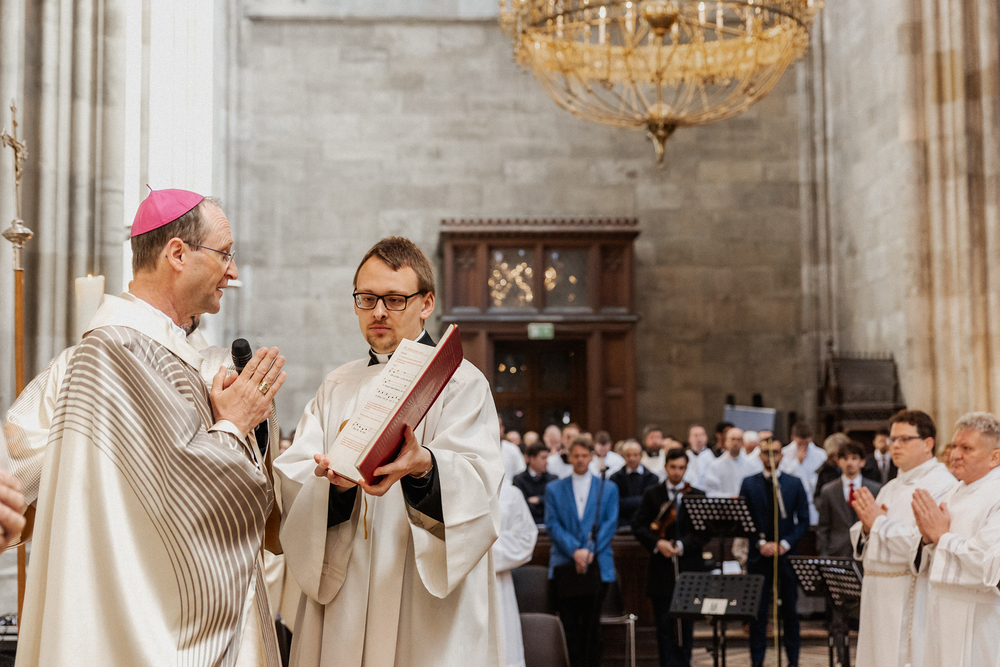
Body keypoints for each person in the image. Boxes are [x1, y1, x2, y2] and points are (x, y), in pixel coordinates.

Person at [14, 189, 287, 665]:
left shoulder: (193, 361)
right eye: (225, 254)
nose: (233, 271)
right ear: (177, 254)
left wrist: (252, 427)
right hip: (130, 630)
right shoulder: (109, 355)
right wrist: (233, 423)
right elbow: (14, 480)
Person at [274, 237, 504, 667]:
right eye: (366, 298)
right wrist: (333, 489)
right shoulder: (335, 387)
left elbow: (481, 486)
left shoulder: (460, 383)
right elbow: (295, 481)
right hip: (345, 598)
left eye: (395, 299)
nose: (378, 312)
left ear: (426, 303)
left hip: (425, 608)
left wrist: (425, 469)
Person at [849, 409, 957, 667]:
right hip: (877, 594)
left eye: (904, 439)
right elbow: (868, 533)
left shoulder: (943, 484)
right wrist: (867, 529)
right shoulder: (891, 486)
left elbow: (926, 542)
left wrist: (878, 523)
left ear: (928, 443)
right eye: (892, 439)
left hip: (909, 593)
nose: (894, 446)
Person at [912, 412, 1000, 667]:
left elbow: (988, 564)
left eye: (966, 448)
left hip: (980, 616)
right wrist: (928, 539)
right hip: (942, 608)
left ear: (995, 457)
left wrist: (942, 537)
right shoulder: (955, 491)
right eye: (953, 446)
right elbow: (936, 554)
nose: (955, 454)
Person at [545, 436, 618, 667]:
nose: (580, 460)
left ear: (592, 457)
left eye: (584, 455)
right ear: (569, 457)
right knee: (569, 626)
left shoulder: (608, 487)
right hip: (565, 564)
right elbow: (552, 524)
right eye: (575, 455)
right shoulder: (554, 488)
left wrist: (588, 551)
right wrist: (575, 551)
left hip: (597, 563)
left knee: (591, 626)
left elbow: (609, 524)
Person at [739, 437, 810, 667]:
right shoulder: (749, 483)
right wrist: (760, 544)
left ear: (782, 455)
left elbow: (804, 521)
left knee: (790, 612)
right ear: (760, 455)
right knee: (758, 614)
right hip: (759, 557)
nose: (771, 456)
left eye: (776, 452)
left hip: (786, 557)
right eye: (766, 452)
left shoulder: (794, 483)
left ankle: (793, 661)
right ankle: (757, 662)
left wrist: (785, 544)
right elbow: (744, 520)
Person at [632, 448, 705, 667]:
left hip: (688, 567)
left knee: (686, 624)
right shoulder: (652, 494)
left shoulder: (696, 494)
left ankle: (685, 662)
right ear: (665, 467)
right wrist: (657, 543)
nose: (676, 472)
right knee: (664, 623)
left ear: (686, 468)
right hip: (661, 568)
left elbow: (703, 532)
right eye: (673, 467)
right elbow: (638, 525)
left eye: (681, 468)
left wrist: (682, 545)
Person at [815, 440, 881, 667]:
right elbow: (823, 527)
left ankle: (867, 660)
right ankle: (842, 661)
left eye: (855, 458)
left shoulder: (875, 489)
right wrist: (825, 556)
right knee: (838, 616)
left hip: (866, 558)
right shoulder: (829, 490)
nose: (850, 462)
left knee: (867, 613)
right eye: (845, 458)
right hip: (838, 557)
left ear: (862, 462)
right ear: (838, 461)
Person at [494, 479, 539, 667]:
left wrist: (480, 549)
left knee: (502, 645)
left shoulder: (510, 493)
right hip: (458, 583)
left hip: (498, 584)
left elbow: (526, 539)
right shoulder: (450, 485)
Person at [779, 421, 827, 524]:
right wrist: (797, 462)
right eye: (800, 443)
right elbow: (783, 475)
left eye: (806, 443)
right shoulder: (784, 453)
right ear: (793, 438)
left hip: (812, 499)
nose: (804, 446)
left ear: (811, 439)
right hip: (792, 499)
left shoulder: (821, 454)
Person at [610, 440, 660, 527]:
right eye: (628, 455)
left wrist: (628, 502)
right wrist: (640, 500)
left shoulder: (652, 478)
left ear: (641, 456)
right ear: (623, 456)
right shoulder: (615, 478)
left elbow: (651, 504)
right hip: (621, 523)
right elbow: (615, 503)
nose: (632, 459)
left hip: (645, 523)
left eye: (635, 455)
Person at [700, 427, 760, 497]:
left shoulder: (752, 465)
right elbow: (710, 491)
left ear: (743, 443)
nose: (735, 443)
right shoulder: (716, 465)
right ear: (726, 441)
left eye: (739, 439)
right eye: (732, 439)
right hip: (724, 502)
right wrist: (729, 497)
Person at [512, 442, 557, 524]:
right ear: (532, 459)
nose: (546, 462)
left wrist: (539, 499)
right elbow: (521, 504)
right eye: (543, 458)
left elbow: (555, 502)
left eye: (547, 458)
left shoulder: (553, 479)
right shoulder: (518, 480)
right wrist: (544, 500)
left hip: (548, 523)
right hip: (526, 523)